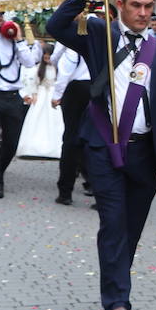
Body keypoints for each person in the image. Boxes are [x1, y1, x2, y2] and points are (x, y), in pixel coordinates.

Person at [46, 0, 156, 310]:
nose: (143, 13)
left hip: (145, 153)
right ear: (120, 5)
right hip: (103, 148)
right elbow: (56, 25)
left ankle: (118, 291)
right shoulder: (99, 36)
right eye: (136, 5)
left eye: (149, 6)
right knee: (112, 224)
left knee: (131, 229)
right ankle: (117, 302)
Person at [0, 10, 42, 198]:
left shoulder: (12, 39)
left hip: (12, 95)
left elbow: (29, 63)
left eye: (0, 14)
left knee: (12, 141)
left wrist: (19, 39)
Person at [51, 39, 92, 205]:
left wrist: (56, 95)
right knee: (94, 139)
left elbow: (64, 68)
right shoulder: (104, 41)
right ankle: (93, 184)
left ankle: (65, 191)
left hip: (75, 89)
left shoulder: (74, 41)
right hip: (97, 88)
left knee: (71, 140)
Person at [16, 41, 64, 159]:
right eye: (45, 55)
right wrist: (34, 94)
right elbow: (34, 83)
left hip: (53, 94)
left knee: (55, 121)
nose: (47, 57)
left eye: (49, 55)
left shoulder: (59, 68)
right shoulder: (39, 68)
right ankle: (33, 146)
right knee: (36, 119)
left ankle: (55, 147)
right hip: (41, 95)